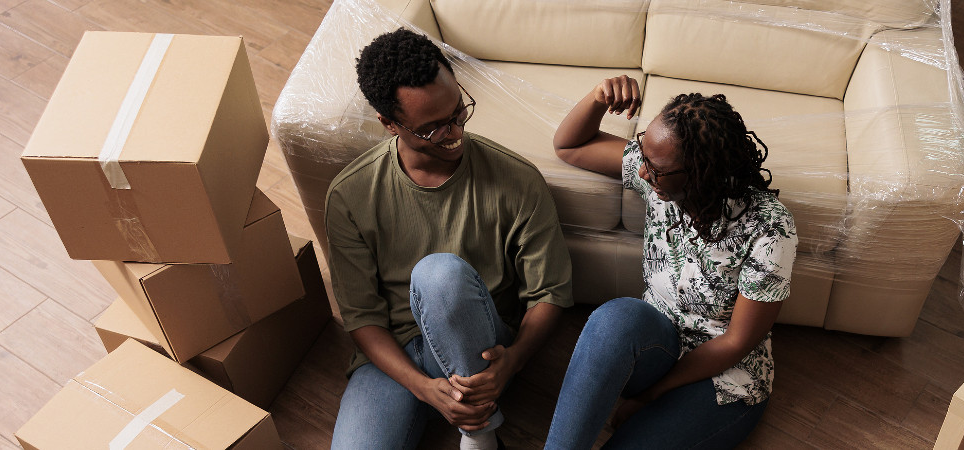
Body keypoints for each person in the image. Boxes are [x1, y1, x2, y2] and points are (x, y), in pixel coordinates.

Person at [326, 28, 573, 450]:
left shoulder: (516, 179)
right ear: (389, 124)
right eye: (433, 128)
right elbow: (361, 317)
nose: (455, 131)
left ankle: (481, 435)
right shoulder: (350, 195)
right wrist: (423, 387)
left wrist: (511, 361)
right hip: (398, 355)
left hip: (480, 346)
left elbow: (550, 291)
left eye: (459, 112)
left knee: (439, 274)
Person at [544, 75, 798, 449]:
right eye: (644, 158)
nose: (643, 172)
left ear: (701, 174)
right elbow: (569, 146)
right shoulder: (659, 178)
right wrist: (598, 98)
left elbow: (737, 342)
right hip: (657, 343)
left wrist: (651, 397)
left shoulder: (771, 228)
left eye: (656, 168)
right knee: (614, 318)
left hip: (722, 378)